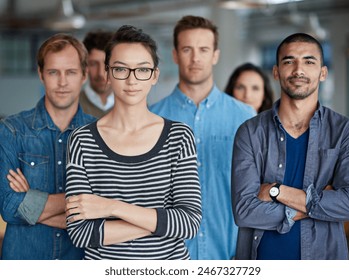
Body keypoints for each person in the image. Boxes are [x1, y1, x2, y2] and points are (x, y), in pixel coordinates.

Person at [64, 25, 202, 260]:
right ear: (107, 74)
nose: (131, 80)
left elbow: (189, 223)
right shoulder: (81, 140)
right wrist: (160, 223)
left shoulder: (179, 137)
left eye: (142, 70)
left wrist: (111, 208)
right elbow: (80, 232)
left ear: (155, 76)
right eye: (120, 69)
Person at [231, 33, 349, 260]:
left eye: (309, 61)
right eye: (289, 61)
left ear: (323, 72)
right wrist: (318, 203)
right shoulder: (250, 132)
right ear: (276, 72)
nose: (298, 70)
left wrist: (277, 191)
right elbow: (244, 212)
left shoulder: (344, 132)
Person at [150, 15, 256, 260]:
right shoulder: (151, 118)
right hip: (167, 256)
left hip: (230, 256)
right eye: (187, 49)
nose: (195, 58)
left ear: (215, 55)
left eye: (203, 49)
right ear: (175, 55)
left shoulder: (245, 117)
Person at [0, 33, 95, 259]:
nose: (62, 82)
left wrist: (30, 198)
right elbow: (9, 206)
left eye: (70, 72)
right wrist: (83, 203)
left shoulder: (100, 134)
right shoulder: (12, 130)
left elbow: (104, 215)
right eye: (54, 72)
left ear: (84, 75)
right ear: (41, 74)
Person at [79, 30, 114, 118]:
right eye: (93, 64)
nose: (101, 73)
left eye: (107, 64)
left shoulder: (135, 107)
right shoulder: (70, 107)